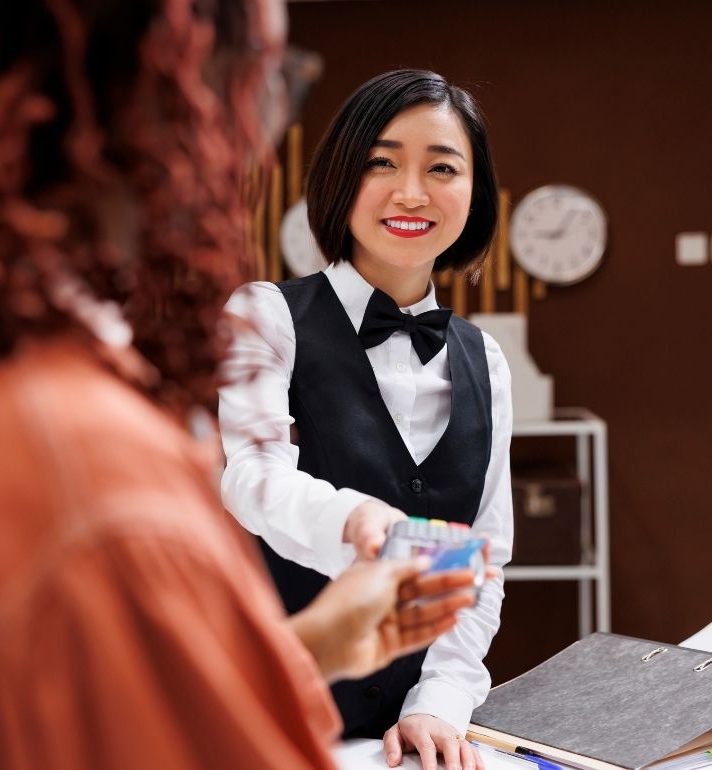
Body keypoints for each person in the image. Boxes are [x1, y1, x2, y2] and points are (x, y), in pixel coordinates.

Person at [0, 3, 481, 768]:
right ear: (170, 93)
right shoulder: (105, 482)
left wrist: (307, 651)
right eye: (263, 81)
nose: (258, 133)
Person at [220, 69, 514, 770]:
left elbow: (484, 559)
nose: (411, 192)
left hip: (411, 748)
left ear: (473, 196)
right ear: (341, 178)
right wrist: (352, 521)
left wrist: (438, 700)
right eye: (382, 162)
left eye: (442, 168)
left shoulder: (486, 359)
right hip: (274, 725)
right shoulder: (265, 315)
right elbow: (250, 477)